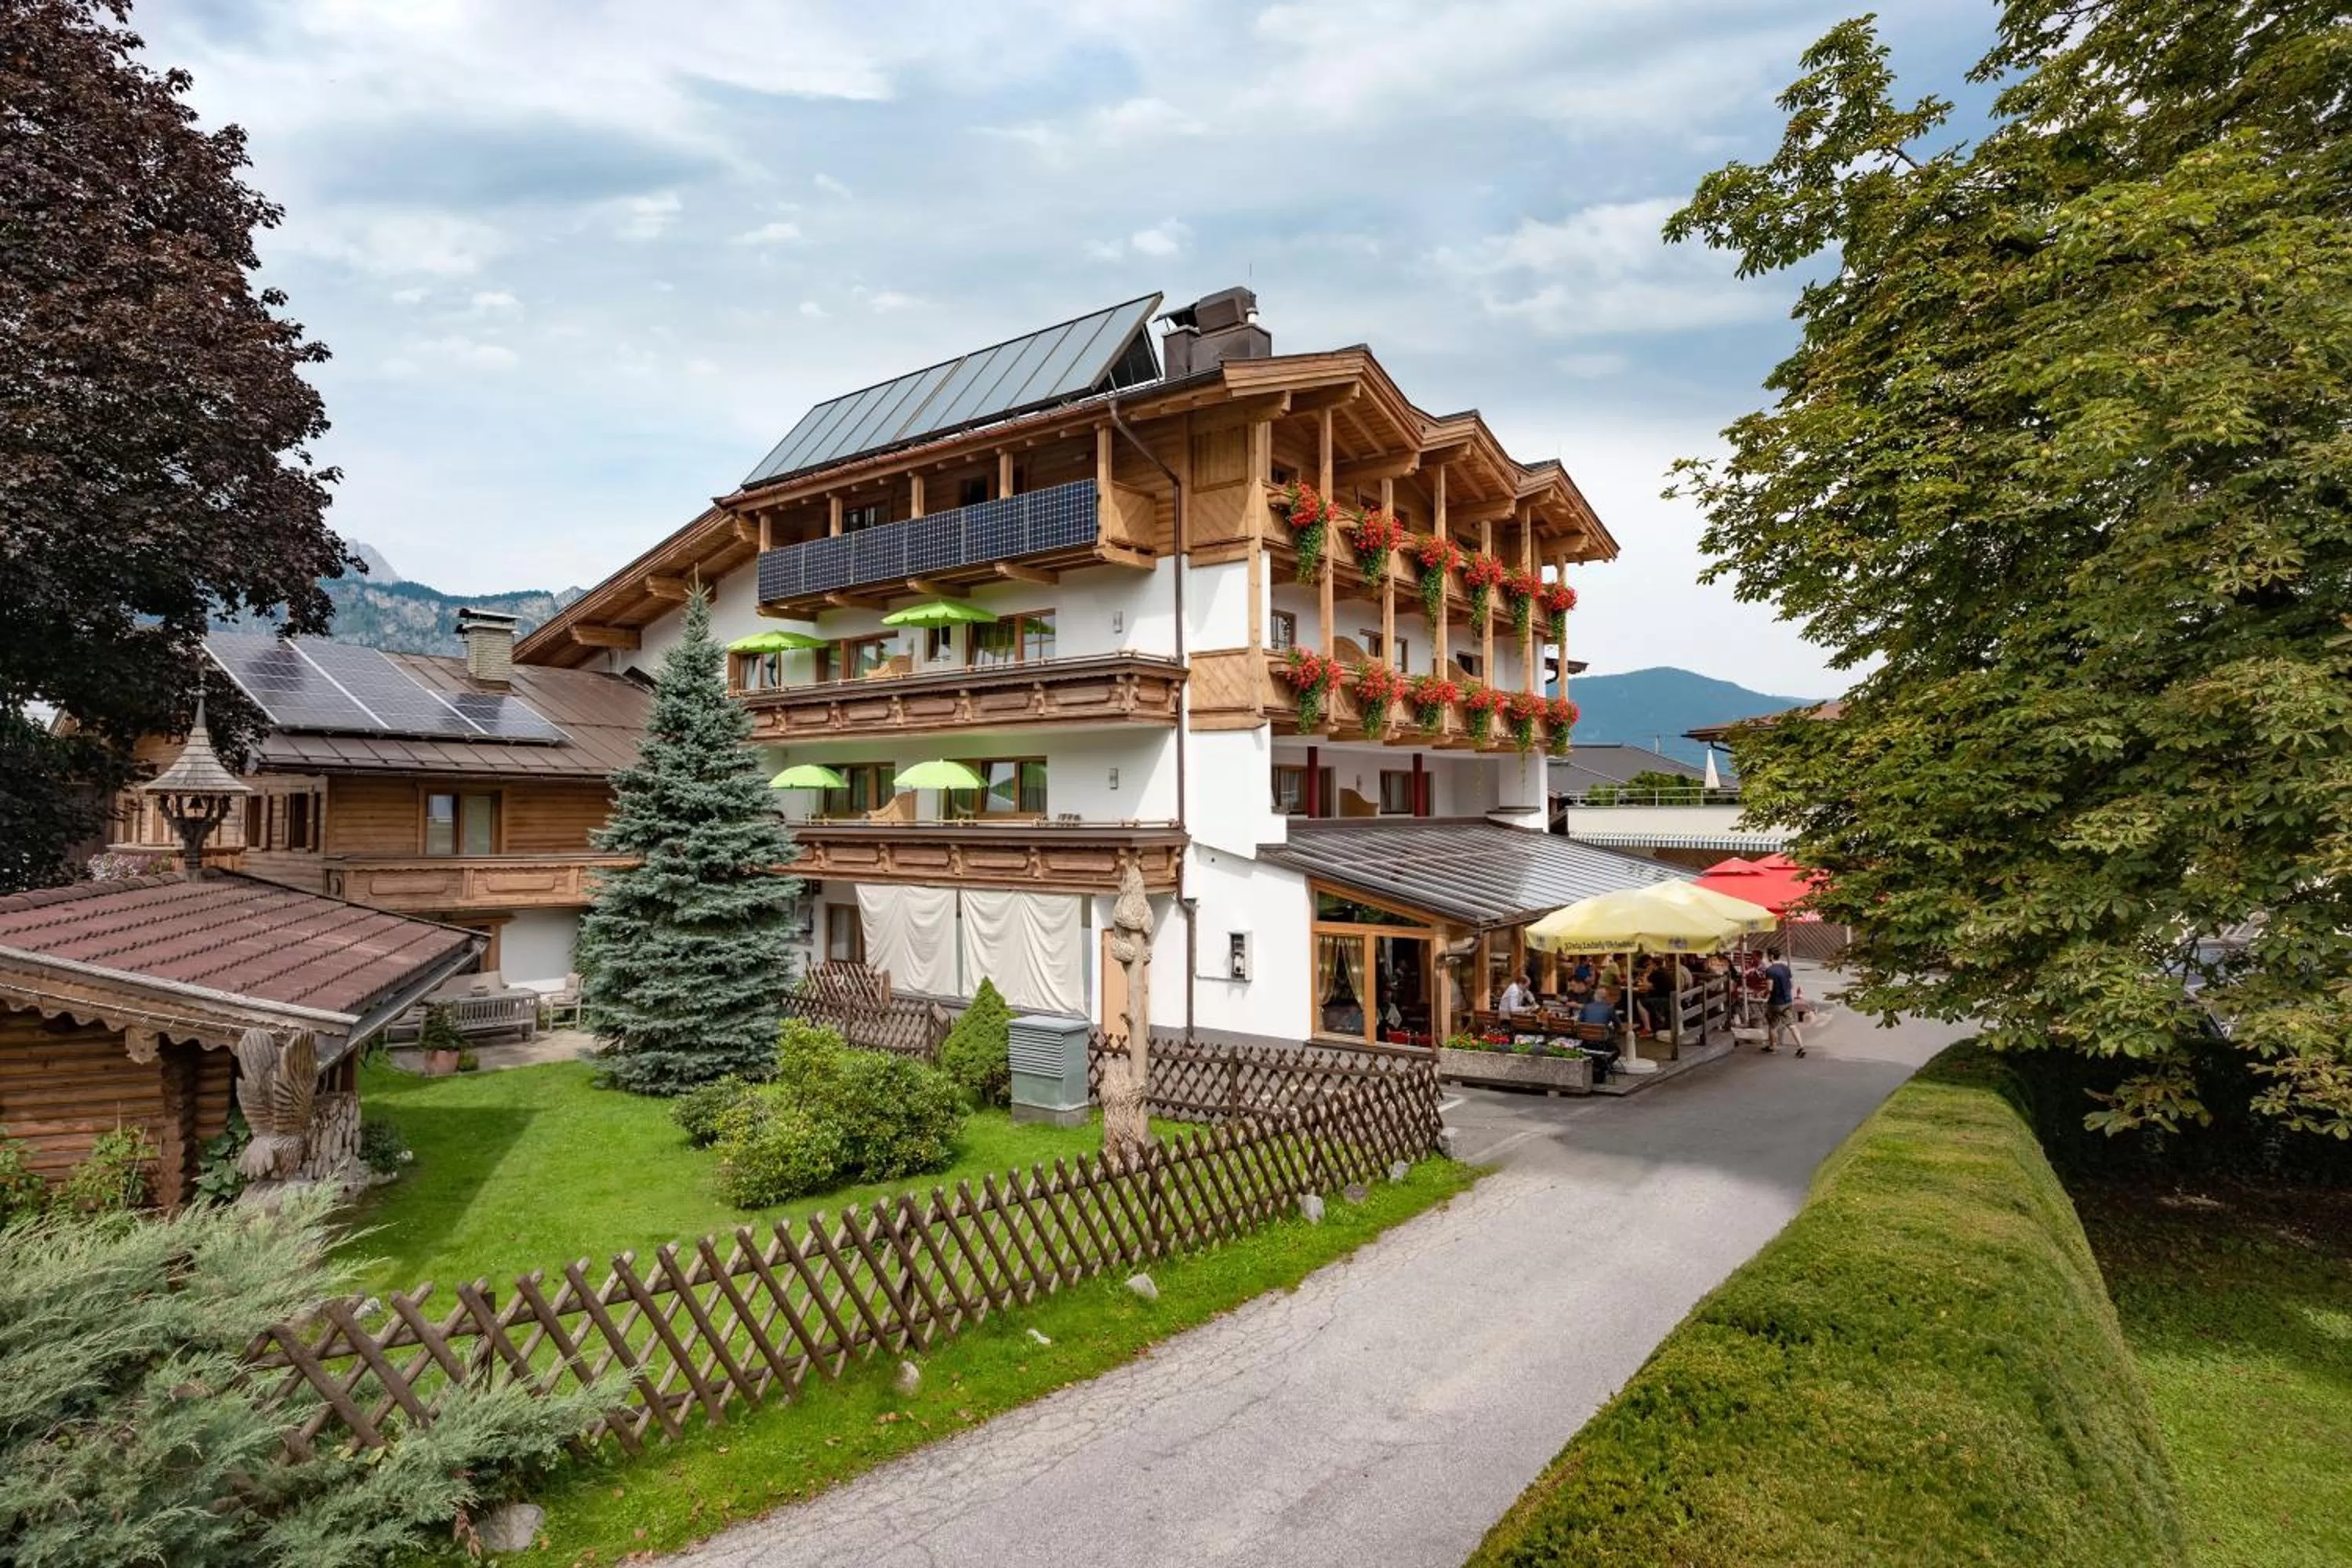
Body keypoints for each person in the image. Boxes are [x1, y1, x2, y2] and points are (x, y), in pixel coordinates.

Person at [1762, 952, 1805, 1057]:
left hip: (1775, 1002)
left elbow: (1770, 988)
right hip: (1787, 1001)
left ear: (1771, 957)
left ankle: (1773, 1046)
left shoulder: (1770, 971)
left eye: (1767, 956)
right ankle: (1801, 1047)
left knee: (1773, 1025)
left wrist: (1764, 994)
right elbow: (1791, 984)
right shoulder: (1786, 968)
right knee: (1791, 1024)